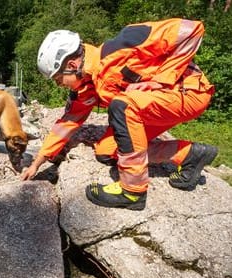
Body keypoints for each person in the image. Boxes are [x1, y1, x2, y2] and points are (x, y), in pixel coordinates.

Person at [20, 18, 218, 211]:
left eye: (58, 79)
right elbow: (67, 123)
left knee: (122, 105)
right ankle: (190, 155)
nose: (59, 85)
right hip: (152, 105)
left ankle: (132, 191)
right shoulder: (85, 88)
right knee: (107, 151)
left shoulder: (125, 43)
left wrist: (163, 80)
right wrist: (38, 162)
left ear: (71, 65)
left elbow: (191, 29)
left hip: (188, 92)